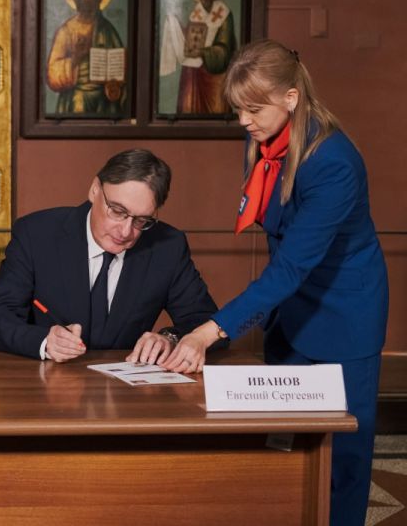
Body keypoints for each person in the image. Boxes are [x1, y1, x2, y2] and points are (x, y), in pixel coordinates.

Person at [162, 39, 388, 526]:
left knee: (342, 459)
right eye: (238, 110)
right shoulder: (264, 141)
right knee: (282, 446)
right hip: (291, 307)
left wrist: (208, 331)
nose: (243, 121)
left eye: (253, 109)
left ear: (290, 98)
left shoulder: (333, 162)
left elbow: (291, 266)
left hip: (344, 315)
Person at [0, 149, 222, 362]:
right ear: (94, 190)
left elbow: (209, 323)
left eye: (141, 220)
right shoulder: (37, 234)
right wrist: (44, 341)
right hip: (45, 384)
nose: (125, 232)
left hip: (125, 390)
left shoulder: (167, 246)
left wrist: (170, 339)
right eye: (117, 211)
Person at [46, 0, 125, 115]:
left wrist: (115, 82)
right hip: (77, 95)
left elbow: (122, 66)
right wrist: (75, 58)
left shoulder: (107, 29)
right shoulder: (66, 31)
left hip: (105, 96)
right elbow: (52, 73)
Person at [160, 0, 236, 115]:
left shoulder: (224, 13)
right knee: (188, 109)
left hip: (215, 75)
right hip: (192, 72)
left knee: (217, 111)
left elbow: (224, 48)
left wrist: (203, 52)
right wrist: (176, 27)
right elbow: (192, 37)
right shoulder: (196, 12)